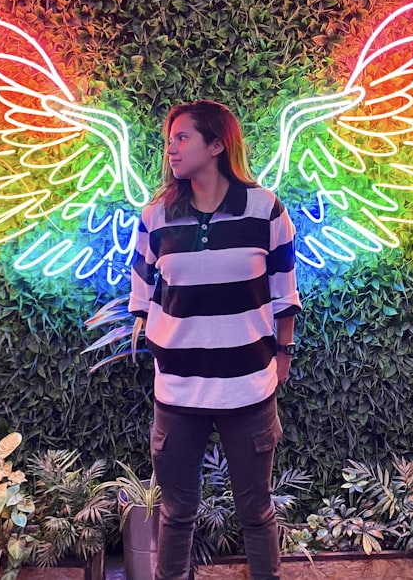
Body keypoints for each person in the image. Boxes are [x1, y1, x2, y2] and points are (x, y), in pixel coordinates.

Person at [128, 100, 302, 580]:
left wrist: (283, 354)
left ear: (218, 144)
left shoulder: (265, 209)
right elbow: (143, 298)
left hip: (247, 389)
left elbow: (284, 292)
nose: (171, 149)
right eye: (169, 139)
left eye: (182, 137)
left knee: (256, 513)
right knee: (176, 514)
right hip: (178, 394)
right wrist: (164, 356)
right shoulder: (156, 217)